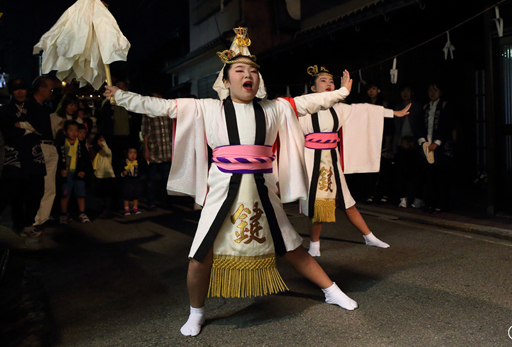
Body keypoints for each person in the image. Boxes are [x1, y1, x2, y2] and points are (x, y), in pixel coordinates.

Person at [104, 27, 358, 337]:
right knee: (201, 253)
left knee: (291, 246)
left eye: (252, 70)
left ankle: (331, 290)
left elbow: (308, 102)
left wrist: (341, 93)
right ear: (226, 80)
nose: (247, 74)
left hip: (263, 190)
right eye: (239, 69)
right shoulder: (206, 108)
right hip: (222, 190)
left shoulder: (274, 108)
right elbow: (161, 107)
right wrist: (122, 97)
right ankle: (196, 312)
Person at [300, 66, 410, 257]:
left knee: (347, 201)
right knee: (319, 205)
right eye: (323, 81)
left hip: (332, 157)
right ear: (312, 88)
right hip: (312, 159)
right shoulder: (304, 105)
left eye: (331, 81)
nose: (328, 84)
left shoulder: (338, 108)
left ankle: (368, 236)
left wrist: (394, 113)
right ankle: (314, 243)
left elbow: (365, 111)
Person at [0, 78, 46, 237]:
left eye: (22, 88)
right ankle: (19, 224)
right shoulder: (6, 110)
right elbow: (8, 131)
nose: (20, 92)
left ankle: (28, 223)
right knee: (11, 192)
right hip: (15, 155)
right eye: (16, 89)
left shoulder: (35, 107)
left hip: (34, 154)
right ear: (11, 92)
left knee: (37, 190)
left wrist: (21, 125)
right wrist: (28, 128)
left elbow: (42, 127)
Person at [26, 76, 59, 229]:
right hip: (38, 146)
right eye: (50, 89)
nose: (51, 92)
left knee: (49, 186)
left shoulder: (45, 107)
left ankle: (42, 218)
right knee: (37, 185)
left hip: (49, 145)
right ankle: (33, 218)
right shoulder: (29, 106)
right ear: (41, 88)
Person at [419, 82, 455, 213]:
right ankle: (430, 203)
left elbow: (447, 126)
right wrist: (423, 141)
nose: (432, 93)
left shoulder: (445, 106)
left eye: (435, 90)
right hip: (426, 146)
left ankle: (442, 203)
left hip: (441, 147)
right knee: (429, 176)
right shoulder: (425, 107)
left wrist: (437, 142)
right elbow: (420, 126)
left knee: (442, 176)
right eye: (430, 90)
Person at [392, 85, 426, 208]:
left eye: (408, 90)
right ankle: (403, 198)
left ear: (412, 92)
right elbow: (396, 128)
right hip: (402, 143)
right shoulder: (398, 107)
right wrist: (397, 144)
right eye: (403, 91)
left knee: (416, 173)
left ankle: (418, 198)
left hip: (416, 143)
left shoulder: (418, 107)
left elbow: (421, 126)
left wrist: (417, 141)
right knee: (402, 173)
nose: (405, 93)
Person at [142, 92, 173, 211]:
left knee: (166, 178)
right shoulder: (148, 113)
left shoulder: (167, 112)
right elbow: (145, 133)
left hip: (167, 150)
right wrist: (146, 150)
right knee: (151, 178)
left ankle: (165, 201)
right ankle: (151, 202)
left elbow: (172, 130)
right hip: (154, 150)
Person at [57, 120, 92, 224]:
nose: (74, 133)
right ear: (65, 132)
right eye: (71, 130)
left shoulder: (81, 146)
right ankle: (63, 214)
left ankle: (82, 213)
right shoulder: (61, 145)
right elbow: (57, 160)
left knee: (80, 194)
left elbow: (86, 161)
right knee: (65, 195)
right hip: (66, 174)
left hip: (78, 175)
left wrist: (84, 171)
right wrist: (60, 170)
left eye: (76, 130)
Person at [91, 134, 116, 218]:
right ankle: (101, 209)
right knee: (100, 195)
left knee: (107, 195)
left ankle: (107, 210)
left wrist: (104, 143)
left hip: (107, 176)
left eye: (103, 140)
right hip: (99, 176)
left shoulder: (107, 152)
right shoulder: (97, 152)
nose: (101, 142)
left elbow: (107, 150)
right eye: (100, 140)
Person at [120, 146, 142, 215]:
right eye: (130, 153)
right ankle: (126, 208)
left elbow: (141, 171)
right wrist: (123, 173)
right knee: (126, 195)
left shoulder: (138, 163)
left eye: (134, 153)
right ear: (126, 154)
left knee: (136, 195)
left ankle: (135, 207)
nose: (132, 155)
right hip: (127, 181)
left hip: (136, 180)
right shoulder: (124, 162)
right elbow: (119, 172)